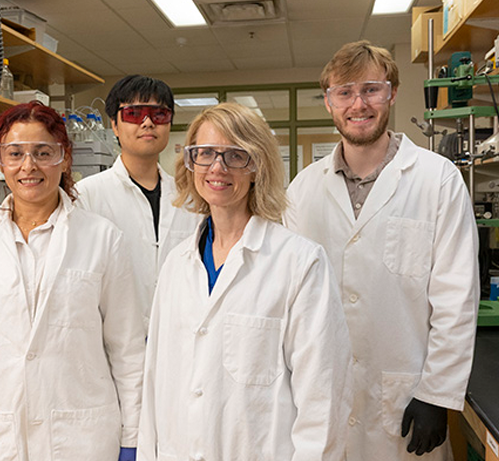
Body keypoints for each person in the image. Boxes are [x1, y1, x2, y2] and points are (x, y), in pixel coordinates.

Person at [284, 40, 479, 460]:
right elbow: (289, 299)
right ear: (329, 102)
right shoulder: (302, 190)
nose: (359, 104)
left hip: (406, 398)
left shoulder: (437, 180)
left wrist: (438, 394)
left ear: (391, 92)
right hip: (322, 398)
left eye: (371, 89)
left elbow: (456, 298)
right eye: (345, 92)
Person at [0, 101, 146, 461]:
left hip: (82, 440)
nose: (29, 166)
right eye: (15, 153)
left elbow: (128, 349)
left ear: (65, 157)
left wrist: (133, 440)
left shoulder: (103, 239)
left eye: (43, 152)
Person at [138, 102, 352, 460]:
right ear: (190, 163)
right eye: (205, 154)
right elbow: (155, 383)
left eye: (235, 155)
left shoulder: (300, 263)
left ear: (257, 167)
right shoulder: (176, 264)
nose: (217, 168)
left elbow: (323, 401)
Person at [76, 75, 201, 329]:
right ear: (114, 124)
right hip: (111, 343)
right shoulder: (86, 196)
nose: (147, 123)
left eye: (160, 115)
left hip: (179, 336)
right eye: (133, 113)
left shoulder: (191, 198)